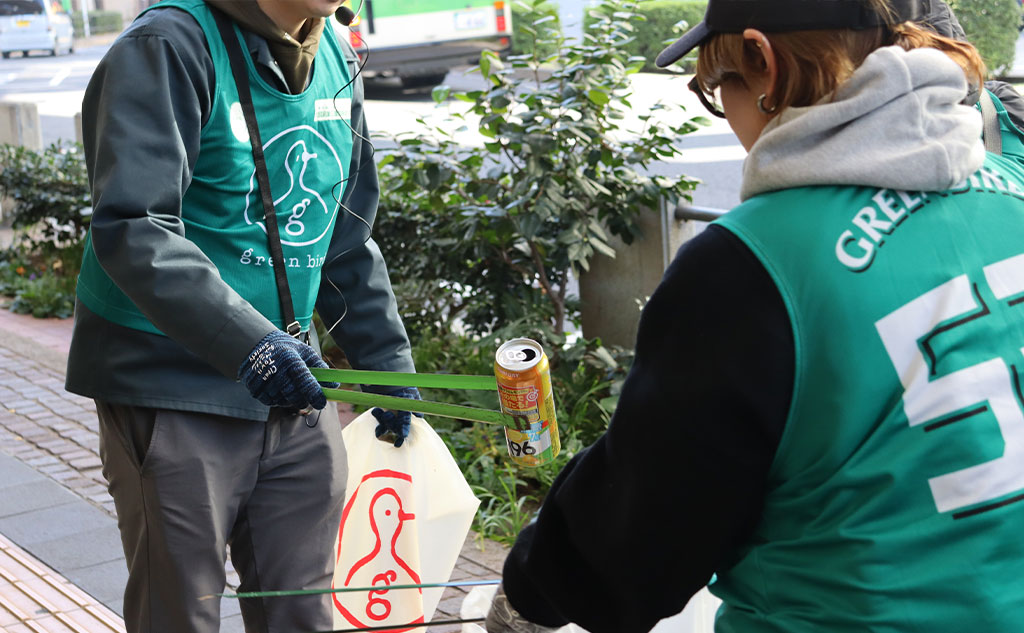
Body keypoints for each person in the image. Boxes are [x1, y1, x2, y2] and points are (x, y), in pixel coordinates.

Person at [485, 0, 1024, 631]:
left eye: (716, 88)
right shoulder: (1011, 189)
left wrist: (527, 593)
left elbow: (639, 541)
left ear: (766, 64)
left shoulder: (751, 264)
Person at [64, 1, 420, 631]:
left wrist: (386, 366)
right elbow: (134, 226)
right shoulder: (168, 46)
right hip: (171, 385)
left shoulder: (336, 53)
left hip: (295, 387)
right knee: (181, 614)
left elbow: (344, 237)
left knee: (301, 613)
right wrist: (248, 343)